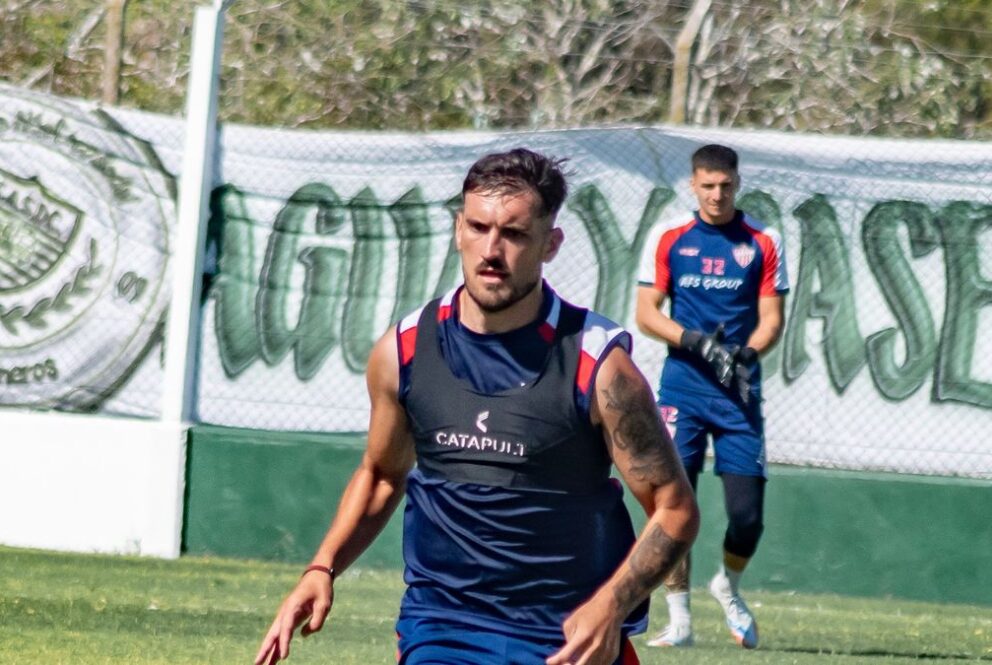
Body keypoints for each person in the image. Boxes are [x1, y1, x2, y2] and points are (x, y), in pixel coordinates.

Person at [254, 148, 700, 665]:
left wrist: (611, 605)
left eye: (514, 234)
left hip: (568, 639)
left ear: (550, 244)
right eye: (478, 226)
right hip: (443, 629)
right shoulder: (404, 351)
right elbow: (381, 475)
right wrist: (322, 567)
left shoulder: (598, 366)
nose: (491, 249)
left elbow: (675, 508)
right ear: (457, 229)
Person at [635, 144, 789, 650]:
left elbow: (771, 320)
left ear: (738, 184)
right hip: (682, 390)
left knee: (747, 517)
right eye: (707, 186)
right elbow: (646, 312)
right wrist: (696, 342)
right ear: (693, 185)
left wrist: (745, 354)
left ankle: (728, 585)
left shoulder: (763, 240)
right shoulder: (669, 236)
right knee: (672, 505)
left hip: (738, 394)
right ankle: (679, 619)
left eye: (725, 186)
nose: (717, 195)